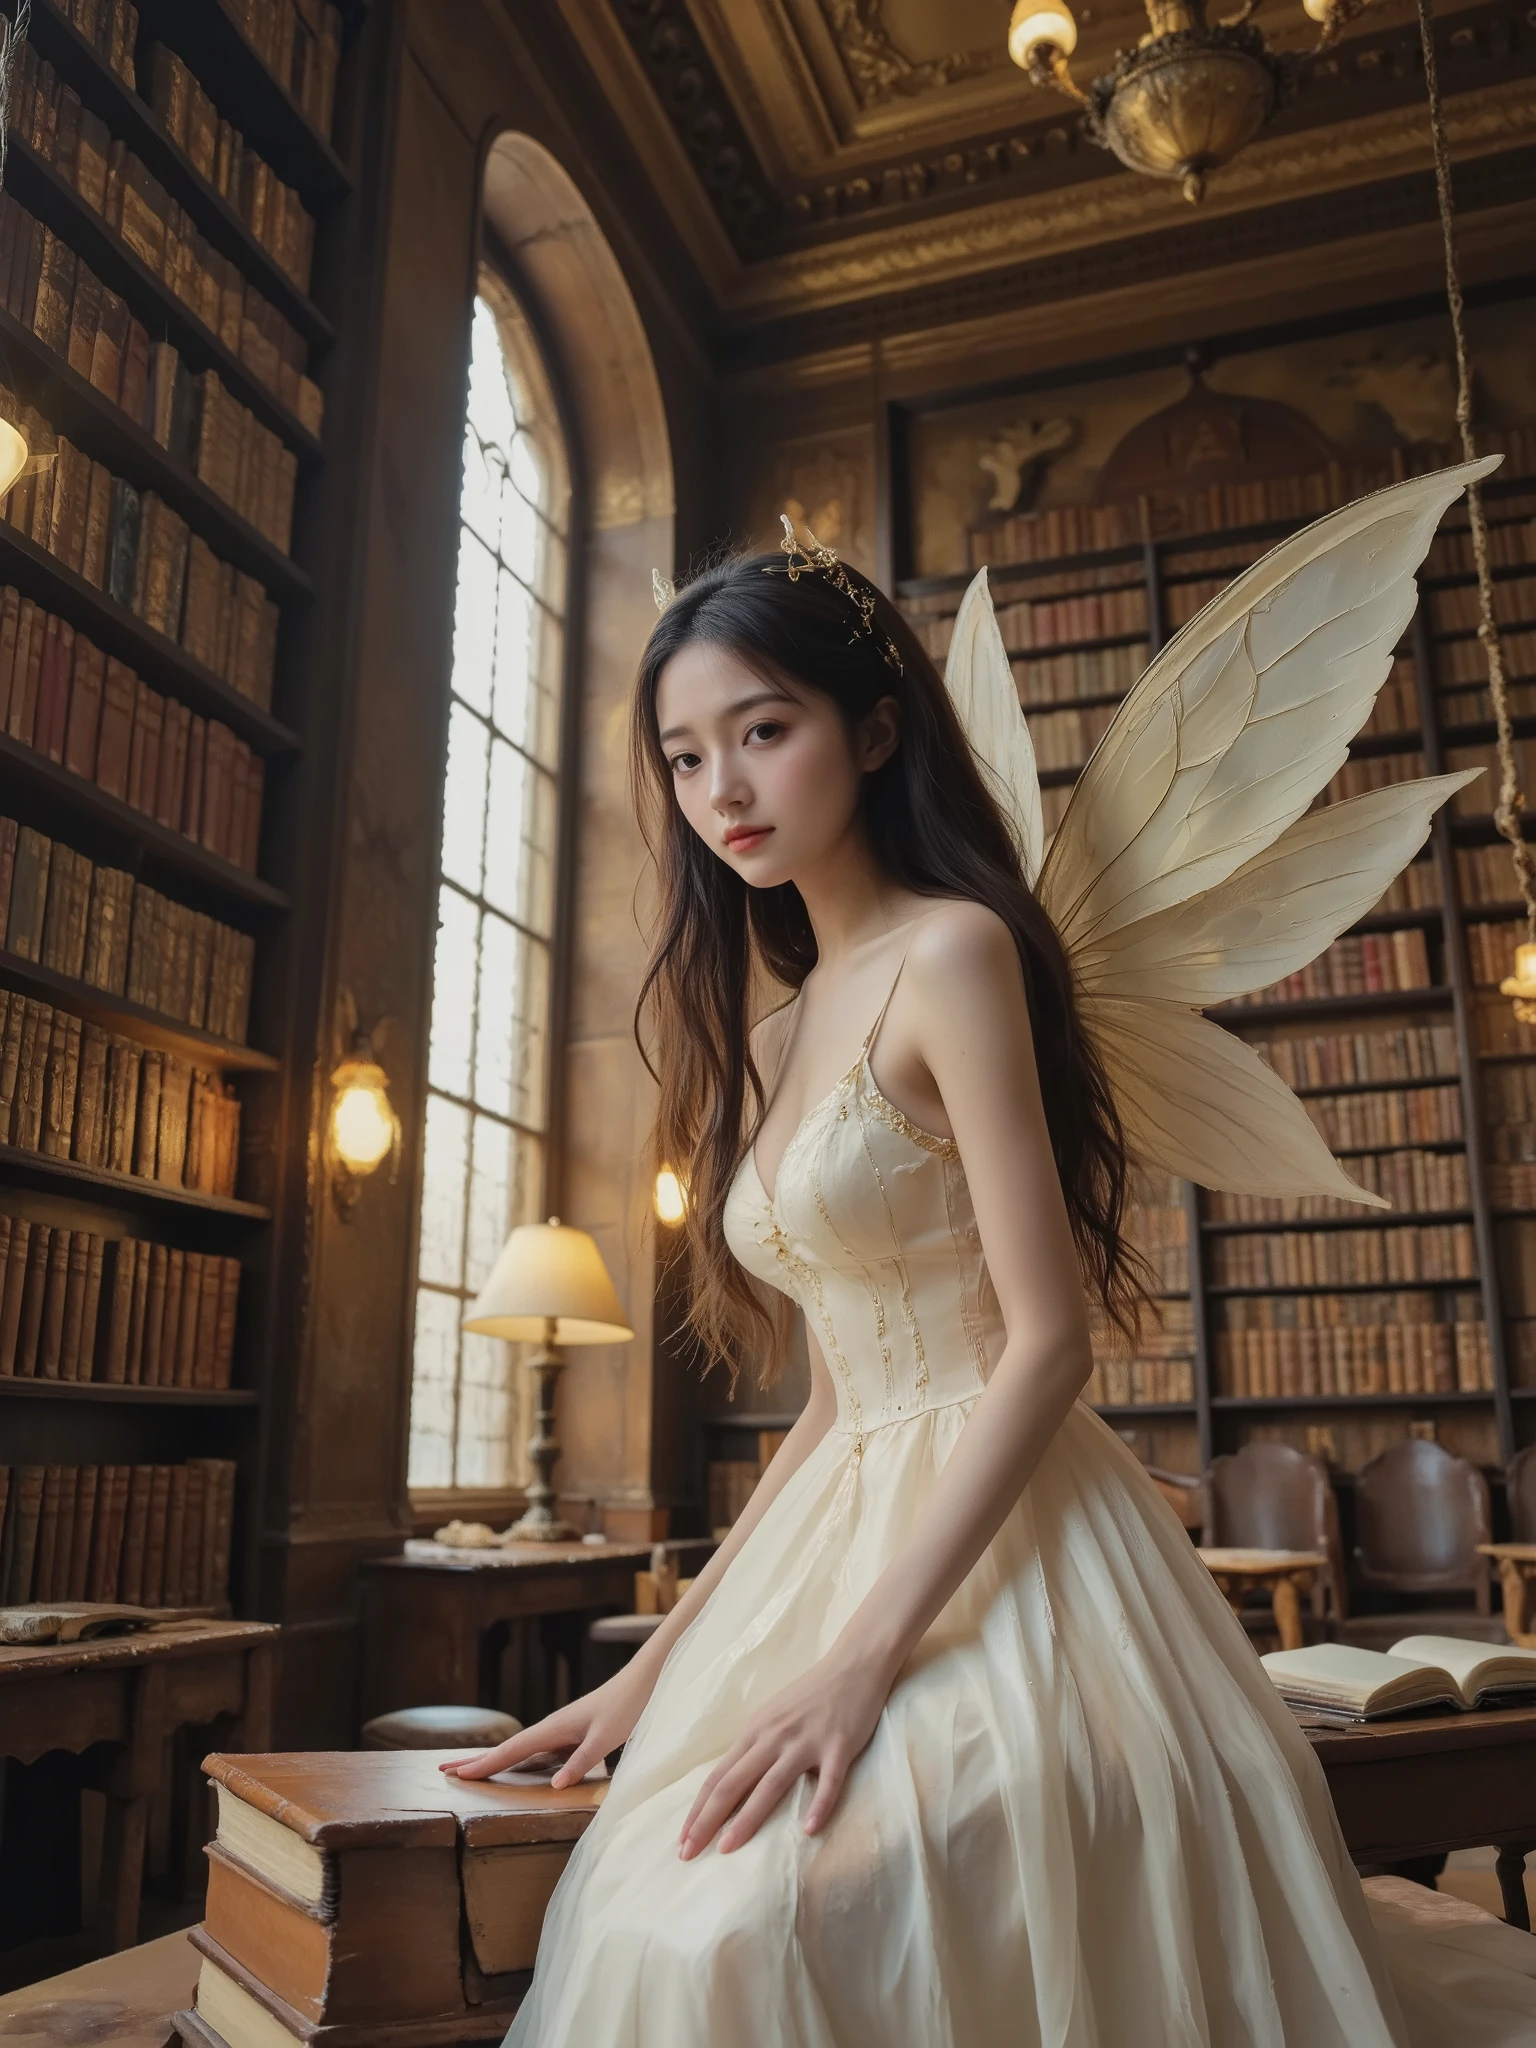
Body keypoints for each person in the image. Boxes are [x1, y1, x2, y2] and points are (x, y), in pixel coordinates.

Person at [445, 490, 1536, 2044]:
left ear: (875, 733)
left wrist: (864, 1662)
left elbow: (1049, 1342)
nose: (720, 790)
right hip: (840, 1523)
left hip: (1009, 1537)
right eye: (686, 758)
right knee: (663, 1910)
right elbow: (834, 1401)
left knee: (772, 1920)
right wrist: (657, 1669)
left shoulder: (954, 953)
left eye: (762, 732)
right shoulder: (766, 1035)